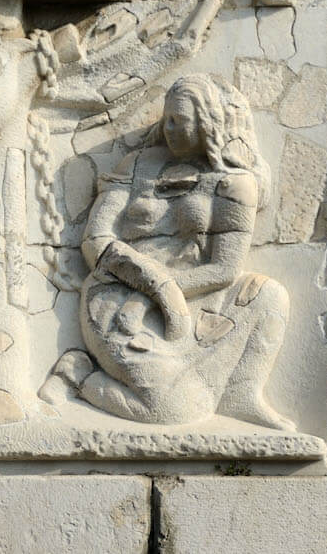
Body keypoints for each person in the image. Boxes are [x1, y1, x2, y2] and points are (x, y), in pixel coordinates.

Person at [41, 74, 293, 430]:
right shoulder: (136, 166)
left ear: (208, 122)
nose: (169, 128)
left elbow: (224, 269)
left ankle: (241, 394)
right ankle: (78, 374)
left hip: (200, 297)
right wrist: (152, 285)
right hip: (119, 295)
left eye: (180, 120)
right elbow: (96, 239)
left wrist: (164, 293)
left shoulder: (235, 183)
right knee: (175, 411)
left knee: (269, 295)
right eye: (167, 118)